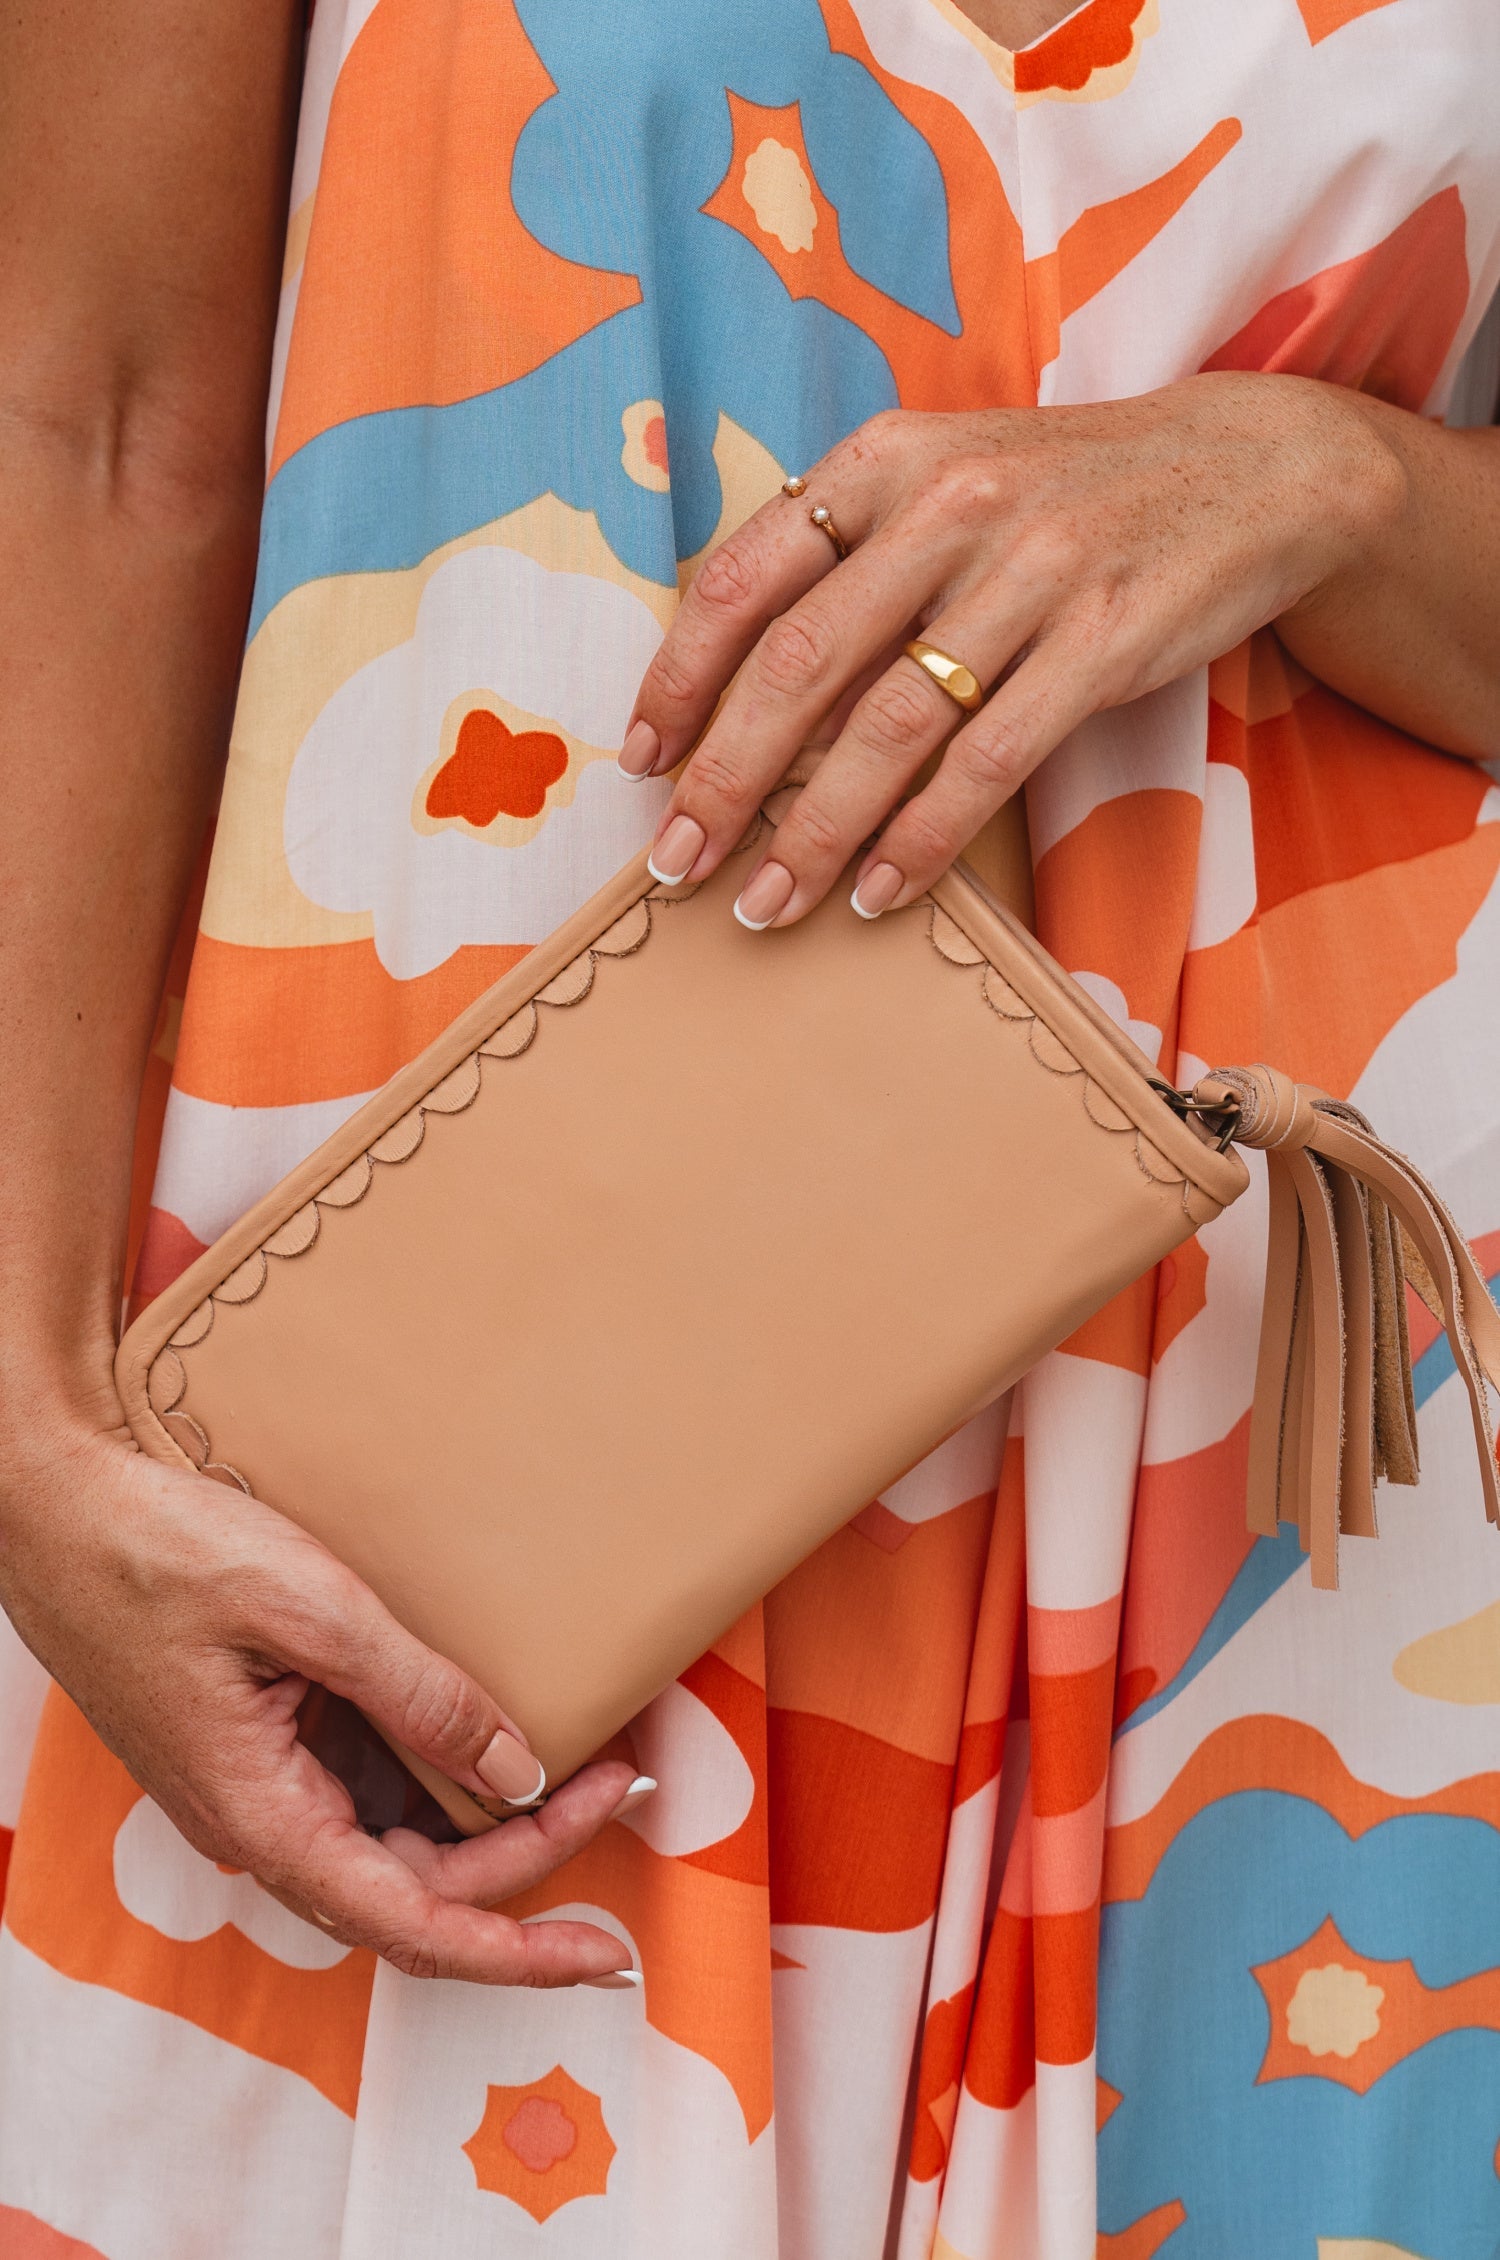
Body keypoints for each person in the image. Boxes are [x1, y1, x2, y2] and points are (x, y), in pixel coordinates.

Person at [0, 0, 1497, 2252]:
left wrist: (1323, 472)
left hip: (1288, 1416)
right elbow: (88, 426)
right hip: (450, 1409)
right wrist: (16, 1429)